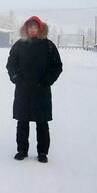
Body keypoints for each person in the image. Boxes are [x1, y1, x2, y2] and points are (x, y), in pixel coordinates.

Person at [6, 15, 63, 163]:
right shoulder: (19, 45)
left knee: (42, 122)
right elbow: (11, 65)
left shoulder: (48, 46)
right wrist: (16, 78)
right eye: (30, 27)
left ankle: (42, 152)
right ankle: (22, 150)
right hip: (23, 90)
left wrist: (48, 80)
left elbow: (57, 66)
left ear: (40, 28)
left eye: (35, 27)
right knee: (22, 121)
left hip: (41, 90)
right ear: (26, 29)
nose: (32, 30)